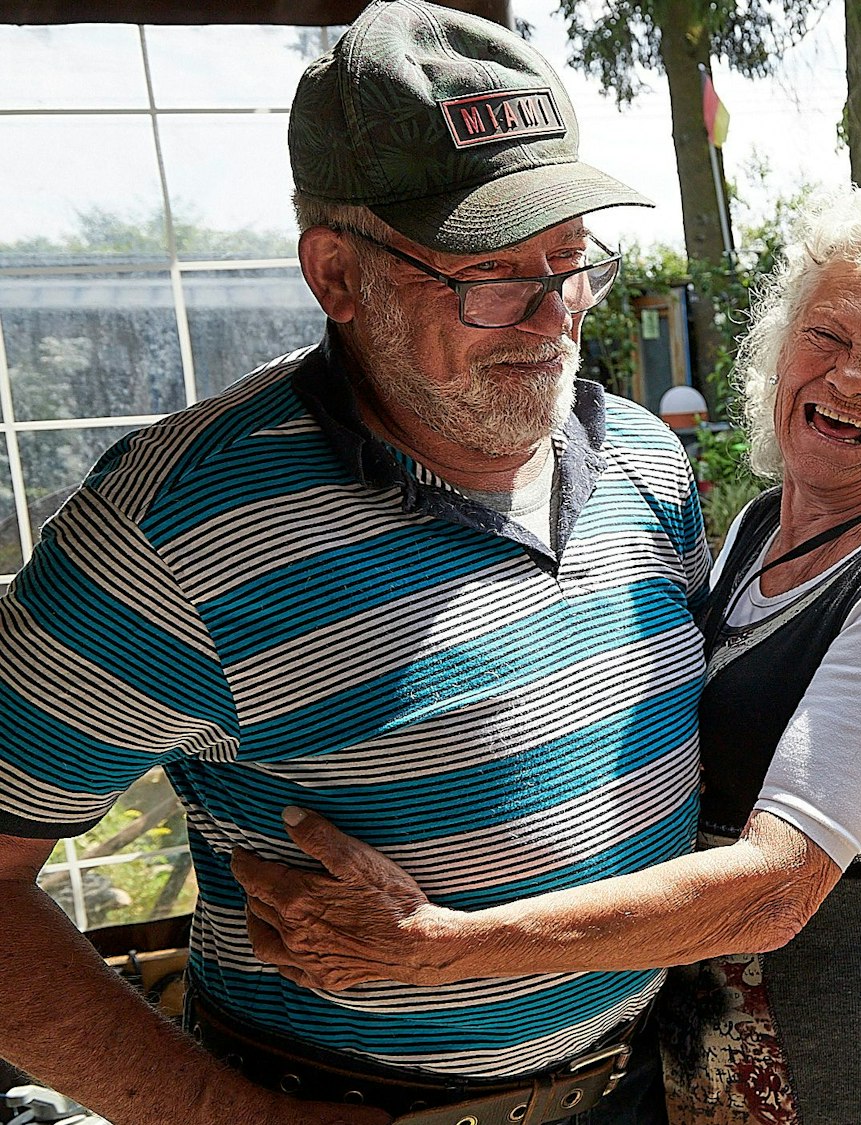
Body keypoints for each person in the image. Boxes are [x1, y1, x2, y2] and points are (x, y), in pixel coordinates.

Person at [0, 3, 707, 1123]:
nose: (552, 317)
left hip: (638, 1087)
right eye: (490, 273)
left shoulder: (645, 462)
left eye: (571, 260)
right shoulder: (171, 531)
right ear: (336, 273)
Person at [233, 184, 861, 1124]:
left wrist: (437, 947)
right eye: (827, 335)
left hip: (858, 1068)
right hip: (711, 1059)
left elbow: (775, 888)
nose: (851, 377)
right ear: (779, 349)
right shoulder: (760, 527)